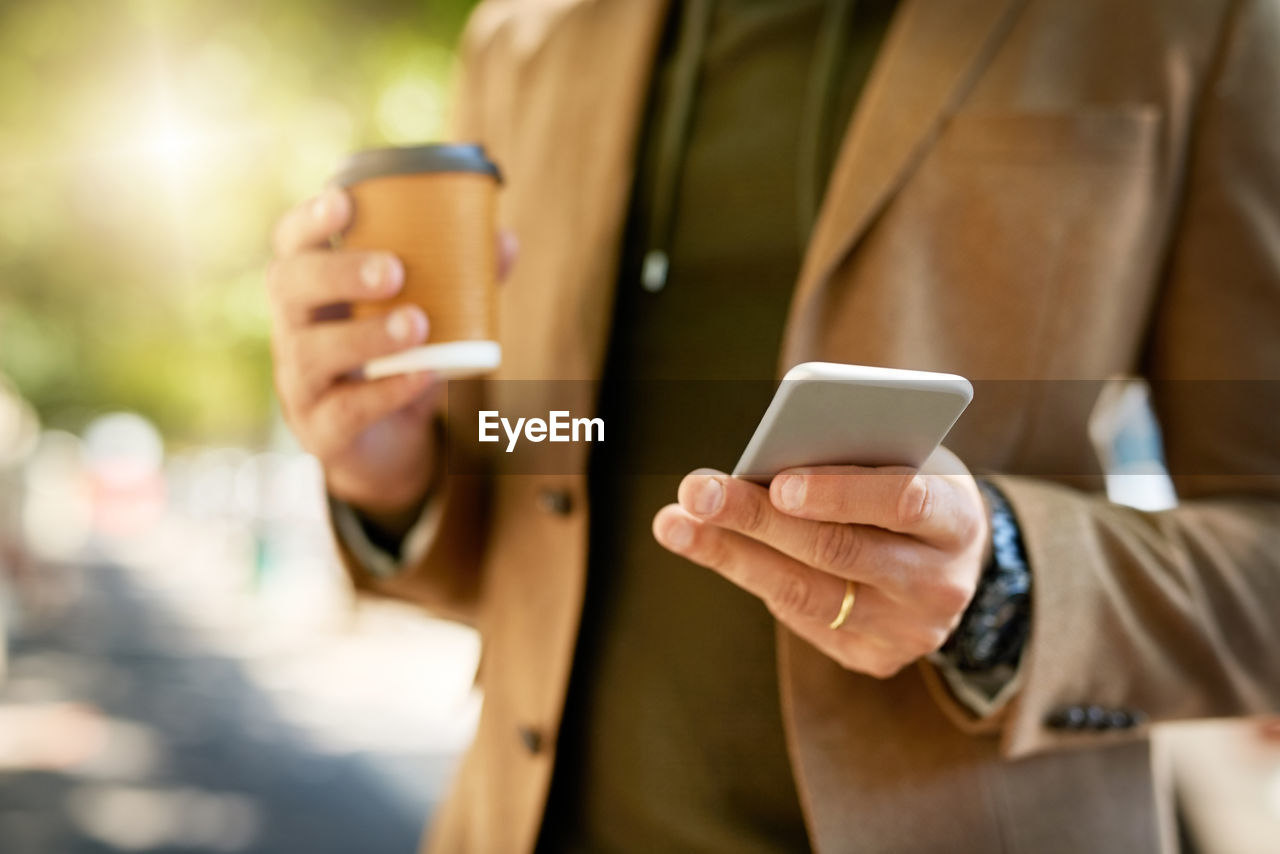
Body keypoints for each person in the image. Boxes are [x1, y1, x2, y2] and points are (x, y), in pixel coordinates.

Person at [266, 0, 1280, 851]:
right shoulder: (524, 31)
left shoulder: (1195, 19)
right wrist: (393, 470)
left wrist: (1005, 584)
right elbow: (531, 495)